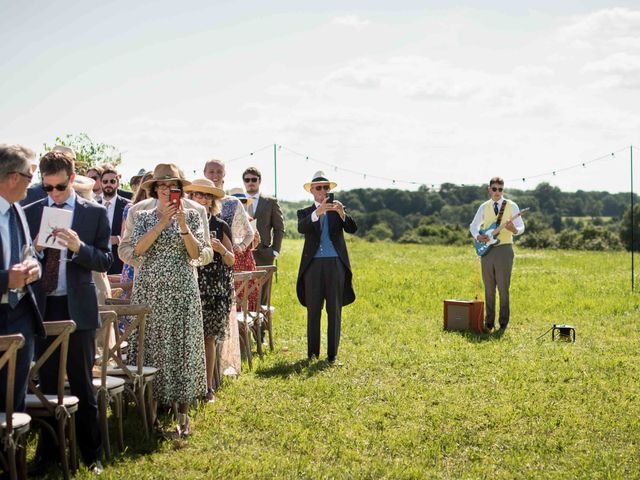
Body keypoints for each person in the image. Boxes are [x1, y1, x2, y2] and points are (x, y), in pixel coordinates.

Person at [24, 150, 112, 474]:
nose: (52, 194)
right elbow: (21, 256)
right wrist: (36, 248)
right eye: (46, 187)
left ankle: (93, 456)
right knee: (47, 384)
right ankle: (48, 454)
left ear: (72, 179)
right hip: (44, 303)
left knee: (81, 383)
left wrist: (79, 248)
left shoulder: (94, 213)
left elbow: (105, 261)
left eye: (58, 187)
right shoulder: (33, 209)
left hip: (78, 306)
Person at [128, 164, 207, 436]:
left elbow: (197, 254)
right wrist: (162, 223)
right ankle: (150, 415)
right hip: (149, 290)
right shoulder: (142, 216)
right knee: (151, 345)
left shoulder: (193, 216)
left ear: (179, 190)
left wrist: (183, 225)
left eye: (172, 186)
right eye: (161, 186)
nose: (166, 190)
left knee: (182, 347)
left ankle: (183, 417)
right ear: (153, 189)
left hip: (183, 289)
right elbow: (137, 249)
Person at [0, 144, 45, 414]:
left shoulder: (17, 209)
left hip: (20, 315)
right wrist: (6, 279)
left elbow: (29, 252)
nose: (33, 185)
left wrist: (34, 267)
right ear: (14, 177)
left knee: (14, 406)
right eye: (31, 177)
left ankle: (12, 456)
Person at [296, 171, 357, 364]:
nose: (322, 191)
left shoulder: (338, 209)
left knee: (334, 309)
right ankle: (312, 354)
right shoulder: (305, 212)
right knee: (313, 309)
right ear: (312, 191)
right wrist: (317, 213)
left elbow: (352, 229)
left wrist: (341, 213)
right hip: (313, 265)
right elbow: (302, 228)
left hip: (335, 264)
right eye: (319, 187)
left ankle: (332, 355)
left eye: (325, 187)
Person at [184, 179, 234, 401]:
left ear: (212, 201)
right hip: (191, 284)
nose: (202, 199)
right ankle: (188, 385)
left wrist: (221, 249)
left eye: (207, 196)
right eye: (198, 195)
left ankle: (208, 387)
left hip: (214, 288)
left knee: (208, 338)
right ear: (191, 197)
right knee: (189, 337)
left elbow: (232, 260)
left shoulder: (220, 225)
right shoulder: (186, 223)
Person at [203, 159, 253, 376]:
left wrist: (238, 247)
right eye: (211, 171)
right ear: (204, 173)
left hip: (222, 267)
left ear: (224, 175)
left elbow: (249, 232)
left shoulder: (232, 203)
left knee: (221, 323)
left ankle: (220, 367)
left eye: (218, 172)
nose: (215, 175)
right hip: (199, 266)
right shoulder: (196, 201)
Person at [118, 165, 213, 270]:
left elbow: (206, 252)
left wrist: (187, 262)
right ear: (155, 187)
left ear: (179, 187)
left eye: (173, 185)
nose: (168, 190)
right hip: (147, 282)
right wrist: (147, 265)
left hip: (184, 281)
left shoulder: (196, 211)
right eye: (163, 185)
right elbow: (124, 249)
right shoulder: (137, 211)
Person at [469, 176, 525, 332]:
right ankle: (489, 322)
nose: (497, 192)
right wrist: (478, 236)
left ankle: (504, 323)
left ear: (503, 190)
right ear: (489, 189)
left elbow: (521, 227)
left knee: (503, 287)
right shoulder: (484, 207)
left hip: (505, 250)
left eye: (500, 189)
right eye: (494, 189)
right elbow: (473, 226)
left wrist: (514, 230)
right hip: (486, 250)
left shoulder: (512, 206)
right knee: (489, 288)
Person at [242, 167, 285, 267]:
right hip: (241, 254)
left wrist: (275, 251)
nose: (250, 182)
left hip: (264, 255)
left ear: (259, 181)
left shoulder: (270, 202)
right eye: (247, 180)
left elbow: (279, 228)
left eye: (254, 179)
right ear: (244, 182)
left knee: (264, 283)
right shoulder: (237, 201)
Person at [228, 187, 259, 312]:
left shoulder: (250, 220)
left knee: (248, 293)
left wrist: (245, 244)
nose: (241, 204)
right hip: (231, 260)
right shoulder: (225, 219)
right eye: (238, 201)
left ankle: (246, 326)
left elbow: (255, 244)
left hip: (246, 260)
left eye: (243, 202)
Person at [100, 165, 131, 275]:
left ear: (118, 183)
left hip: (119, 261)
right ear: (101, 183)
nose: (108, 184)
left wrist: (118, 239)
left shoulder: (128, 205)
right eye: (105, 181)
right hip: (98, 260)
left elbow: (132, 233)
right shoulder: (93, 204)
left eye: (112, 181)